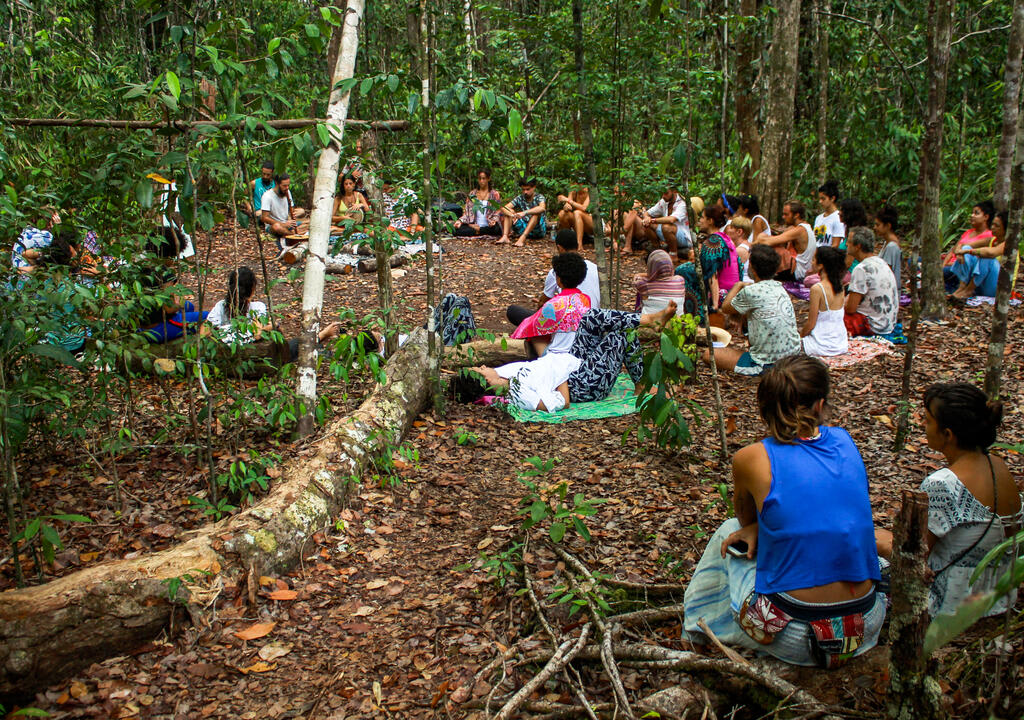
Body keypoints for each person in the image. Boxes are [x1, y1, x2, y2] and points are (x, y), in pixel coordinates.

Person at [684, 355, 886, 667]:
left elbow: (745, 518)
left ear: (763, 406)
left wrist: (755, 527)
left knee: (728, 531)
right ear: (820, 405)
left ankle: (696, 632)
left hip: (791, 633)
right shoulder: (845, 441)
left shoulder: (751, 458)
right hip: (865, 624)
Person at [876, 383, 1022, 618]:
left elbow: (912, 554)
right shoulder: (998, 465)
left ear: (948, 434)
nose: (922, 425)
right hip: (998, 597)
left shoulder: (943, 484)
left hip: (951, 604)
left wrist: (871, 538)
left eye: (928, 420)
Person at [473, 302, 678, 411]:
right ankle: (642, 384)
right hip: (581, 385)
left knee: (589, 317)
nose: (482, 366)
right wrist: (559, 373)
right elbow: (562, 402)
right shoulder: (518, 394)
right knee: (621, 336)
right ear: (487, 382)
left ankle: (650, 319)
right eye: (480, 370)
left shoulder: (502, 374)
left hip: (572, 363)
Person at [705, 244, 800, 375]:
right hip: (793, 358)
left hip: (767, 364)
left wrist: (738, 285)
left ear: (753, 269)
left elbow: (726, 307)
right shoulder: (780, 288)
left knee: (708, 354)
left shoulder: (751, 291)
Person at [507, 229, 601, 330]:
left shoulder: (558, 270)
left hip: (568, 323)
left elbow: (542, 303)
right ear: (578, 246)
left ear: (559, 248)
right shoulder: (595, 268)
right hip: (593, 321)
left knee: (513, 311)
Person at [510, 252, 591, 357]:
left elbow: (531, 326)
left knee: (534, 334)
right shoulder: (585, 299)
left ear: (559, 278)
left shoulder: (553, 304)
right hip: (578, 351)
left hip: (557, 355)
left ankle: (538, 358)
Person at [138, 228, 207, 343]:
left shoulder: (138, 265)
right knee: (209, 317)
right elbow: (169, 309)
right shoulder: (164, 273)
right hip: (155, 328)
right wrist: (178, 300)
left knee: (189, 306)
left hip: (139, 322)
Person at [844, 227, 898, 336]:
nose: (846, 244)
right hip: (888, 324)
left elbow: (850, 308)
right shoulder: (881, 262)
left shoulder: (861, 268)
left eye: (849, 242)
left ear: (858, 246)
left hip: (874, 326)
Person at [800, 246, 848, 357]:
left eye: (813, 260)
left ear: (821, 265)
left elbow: (811, 323)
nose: (811, 262)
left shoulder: (817, 289)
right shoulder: (840, 287)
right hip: (840, 344)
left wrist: (801, 336)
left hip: (822, 345)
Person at [949, 208, 1006, 299]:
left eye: (997, 226)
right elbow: (962, 245)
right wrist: (960, 252)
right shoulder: (991, 240)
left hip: (998, 288)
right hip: (982, 285)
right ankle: (962, 288)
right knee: (966, 248)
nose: (992, 227)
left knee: (986, 257)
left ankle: (968, 291)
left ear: (1005, 230)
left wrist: (967, 251)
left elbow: (991, 253)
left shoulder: (1008, 244)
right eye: (993, 224)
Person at [754, 200, 815, 284]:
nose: (783, 217)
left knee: (773, 250)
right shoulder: (804, 227)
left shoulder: (800, 230)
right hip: (800, 269)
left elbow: (768, 242)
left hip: (798, 273)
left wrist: (760, 237)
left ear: (796, 215)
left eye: (786, 214)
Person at [206, 267, 271, 344]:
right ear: (252, 289)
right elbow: (257, 334)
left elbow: (204, 332)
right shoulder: (257, 307)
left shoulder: (221, 305)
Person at [943, 201, 995, 292]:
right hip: (949, 265)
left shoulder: (989, 236)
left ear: (986, 217)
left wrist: (948, 265)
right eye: (972, 213)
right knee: (915, 260)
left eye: (976, 213)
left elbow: (973, 257)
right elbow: (953, 250)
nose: (972, 215)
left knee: (936, 272)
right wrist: (942, 265)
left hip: (961, 269)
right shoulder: (968, 232)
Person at [696, 204, 740, 308]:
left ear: (710, 221)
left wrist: (715, 305)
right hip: (734, 291)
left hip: (723, 294)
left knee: (685, 272)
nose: (700, 220)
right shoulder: (726, 238)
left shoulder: (712, 242)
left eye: (702, 217)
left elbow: (713, 275)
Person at [640, 186, 692, 258]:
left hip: (684, 238)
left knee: (666, 227)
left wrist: (653, 220)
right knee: (646, 224)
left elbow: (671, 219)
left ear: (674, 191)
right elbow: (647, 213)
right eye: (662, 194)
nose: (663, 196)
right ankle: (656, 249)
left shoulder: (683, 203)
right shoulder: (664, 201)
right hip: (667, 233)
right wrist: (646, 219)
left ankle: (673, 255)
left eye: (666, 193)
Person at [634, 249, 687, 315]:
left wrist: (648, 274)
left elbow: (636, 278)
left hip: (652, 323)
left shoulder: (643, 284)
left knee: (641, 295)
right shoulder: (680, 280)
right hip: (677, 322)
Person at [498, 178, 548, 246]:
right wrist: (512, 214)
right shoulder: (520, 198)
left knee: (536, 214)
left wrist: (525, 212)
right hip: (523, 226)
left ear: (534, 188)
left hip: (538, 229)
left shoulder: (539, 197)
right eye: (523, 189)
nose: (525, 192)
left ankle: (522, 239)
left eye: (528, 189)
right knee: (508, 211)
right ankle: (505, 236)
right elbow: (504, 208)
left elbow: (542, 208)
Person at [454, 168, 503, 237]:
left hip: (489, 226)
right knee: (456, 230)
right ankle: (478, 230)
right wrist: (460, 221)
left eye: (484, 178)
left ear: (488, 179)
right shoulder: (473, 194)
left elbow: (498, 211)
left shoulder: (494, 194)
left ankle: (479, 230)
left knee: (496, 229)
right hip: (473, 225)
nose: (481, 181)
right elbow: (467, 213)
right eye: (479, 179)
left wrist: (494, 220)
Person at [261, 174, 308, 241]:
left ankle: (294, 234)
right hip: (275, 225)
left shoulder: (287, 191)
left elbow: (291, 208)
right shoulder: (267, 196)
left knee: (309, 221)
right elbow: (264, 217)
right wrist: (283, 224)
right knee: (277, 227)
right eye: (284, 186)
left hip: (288, 223)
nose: (287, 187)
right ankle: (294, 236)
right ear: (277, 184)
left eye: (288, 185)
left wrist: (293, 215)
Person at [555, 183, 594, 247]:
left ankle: (579, 244)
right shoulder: (573, 189)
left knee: (577, 212)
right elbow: (567, 204)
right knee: (562, 214)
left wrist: (568, 200)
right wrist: (566, 206)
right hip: (578, 222)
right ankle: (567, 240)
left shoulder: (591, 191)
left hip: (591, 223)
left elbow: (584, 208)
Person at [874, 204, 903, 291]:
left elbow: (886, 272)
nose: (875, 228)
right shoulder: (887, 243)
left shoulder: (892, 247)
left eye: (878, 225)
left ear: (888, 226)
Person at [813, 180, 845, 248]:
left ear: (832, 198)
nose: (820, 202)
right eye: (819, 199)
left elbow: (836, 244)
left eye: (823, 199)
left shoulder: (838, 218)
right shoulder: (818, 218)